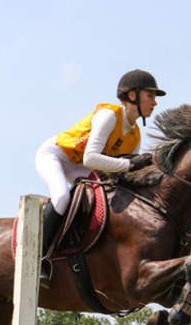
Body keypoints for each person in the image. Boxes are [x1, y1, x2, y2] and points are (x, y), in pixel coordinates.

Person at [34, 69, 167, 285]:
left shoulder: (134, 136)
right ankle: (38, 255)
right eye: (150, 96)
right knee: (61, 198)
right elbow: (90, 158)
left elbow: (125, 174)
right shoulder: (109, 116)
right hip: (56, 156)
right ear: (132, 96)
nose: (154, 103)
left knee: (105, 198)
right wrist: (130, 163)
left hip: (79, 165)